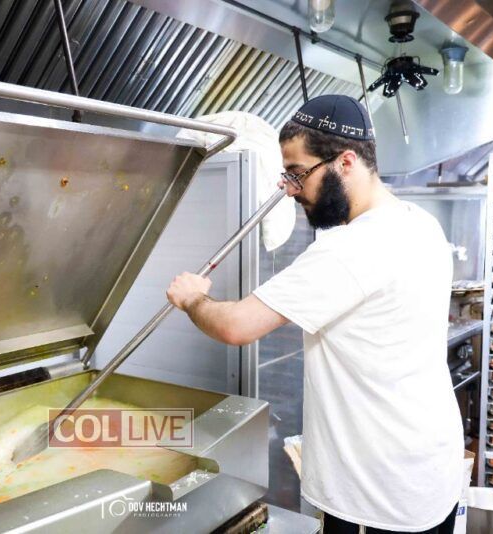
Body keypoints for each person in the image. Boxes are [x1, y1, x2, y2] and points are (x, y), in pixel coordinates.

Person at [166, 95, 463, 534]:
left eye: (298, 173)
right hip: (429, 470)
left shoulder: (351, 248)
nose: (289, 189)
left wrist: (192, 298)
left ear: (346, 162)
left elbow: (236, 326)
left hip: (377, 496)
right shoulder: (418, 222)